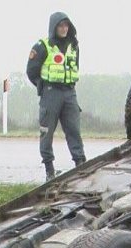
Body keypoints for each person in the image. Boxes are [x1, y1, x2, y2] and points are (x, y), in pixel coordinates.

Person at [26, 12, 86, 180]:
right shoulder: (42, 46)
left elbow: (76, 66)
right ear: (54, 27)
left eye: (66, 25)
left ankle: (80, 164)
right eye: (60, 25)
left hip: (69, 93)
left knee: (74, 130)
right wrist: (42, 87)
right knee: (47, 132)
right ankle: (49, 170)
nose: (64, 28)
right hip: (50, 93)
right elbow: (31, 71)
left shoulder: (74, 45)